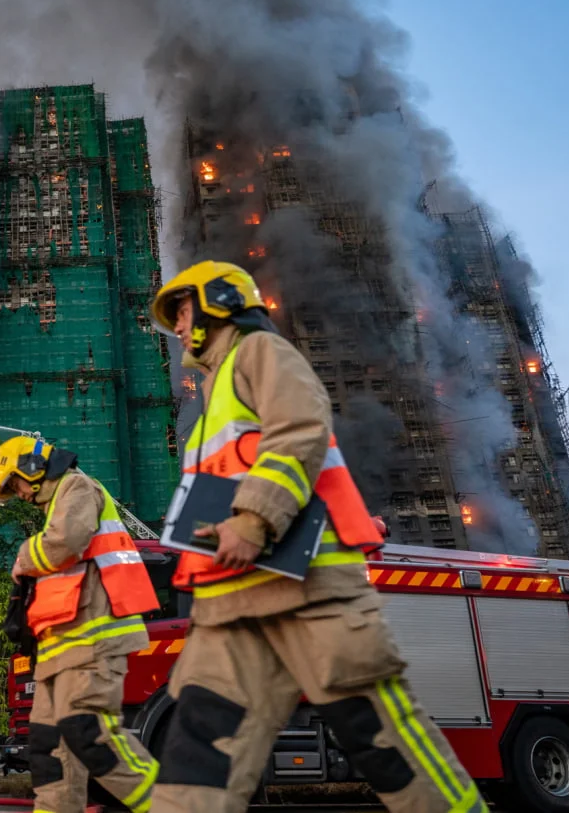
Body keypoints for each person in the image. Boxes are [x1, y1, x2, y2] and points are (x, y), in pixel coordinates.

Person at [147, 262, 487, 813]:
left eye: (182, 313)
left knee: (380, 740)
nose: (178, 328)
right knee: (198, 752)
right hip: (233, 603)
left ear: (218, 302)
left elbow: (300, 430)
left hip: (311, 590)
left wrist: (254, 519)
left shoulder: (261, 353)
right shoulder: (213, 394)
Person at [0, 435, 161, 813]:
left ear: (30, 468)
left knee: (91, 736)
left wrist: (23, 558)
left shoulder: (78, 487)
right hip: (60, 654)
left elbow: (67, 541)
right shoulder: (56, 509)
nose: (18, 494)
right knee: (49, 753)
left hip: (92, 644)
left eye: (14, 484)